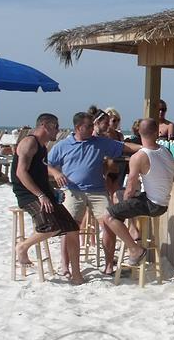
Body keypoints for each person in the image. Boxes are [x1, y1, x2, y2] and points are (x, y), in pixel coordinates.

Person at [48, 112, 142, 276]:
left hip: (97, 191)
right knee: (69, 227)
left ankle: (108, 265)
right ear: (78, 127)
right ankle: (65, 265)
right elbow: (46, 164)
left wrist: (146, 148)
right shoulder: (63, 145)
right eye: (89, 126)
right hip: (73, 190)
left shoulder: (100, 142)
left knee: (109, 223)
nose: (93, 128)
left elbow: (123, 147)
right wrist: (56, 173)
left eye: (93, 125)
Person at [10, 114, 81, 284]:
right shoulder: (29, 143)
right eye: (56, 126)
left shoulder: (42, 146)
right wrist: (41, 195)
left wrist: (52, 191)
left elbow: (40, 174)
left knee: (72, 228)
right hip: (27, 194)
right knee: (51, 226)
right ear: (45, 125)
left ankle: (77, 274)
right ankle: (23, 247)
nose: (58, 130)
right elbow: (21, 173)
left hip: (43, 193)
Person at [102, 118, 174, 266]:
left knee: (108, 216)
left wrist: (124, 205)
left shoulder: (139, 157)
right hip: (162, 202)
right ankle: (132, 231)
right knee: (118, 196)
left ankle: (135, 249)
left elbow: (130, 187)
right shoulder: (166, 151)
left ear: (138, 132)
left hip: (152, 204)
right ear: (157, 132)